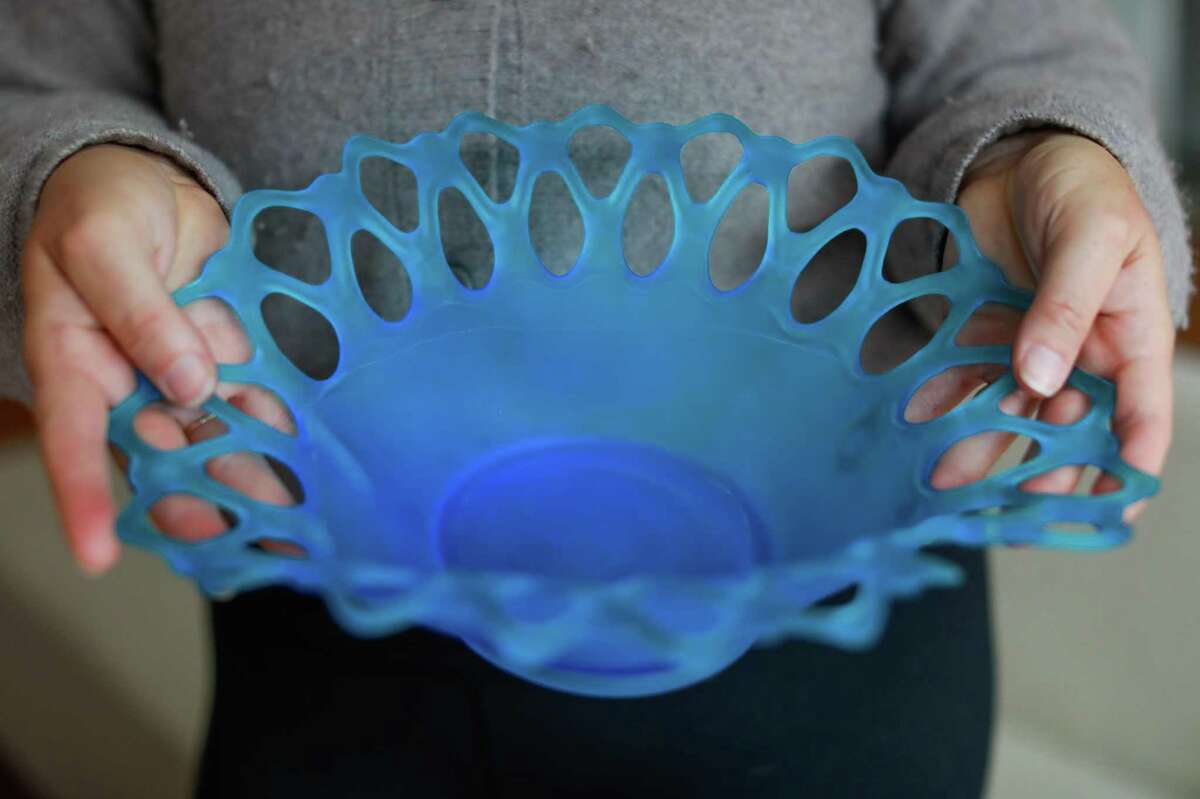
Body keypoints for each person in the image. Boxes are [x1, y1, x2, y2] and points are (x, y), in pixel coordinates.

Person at [0, 1, 1190, 796]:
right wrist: (75, 165)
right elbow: (48, 55)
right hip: (322, 600)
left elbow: (1014, 37)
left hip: (828, 631)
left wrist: (1051, 154)